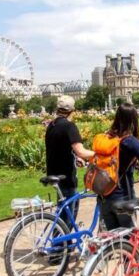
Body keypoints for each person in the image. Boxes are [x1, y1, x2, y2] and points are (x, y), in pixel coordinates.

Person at [44, 95, 94, 228]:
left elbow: (60, 148)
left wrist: (75, 158)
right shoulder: (69, 126)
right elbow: (81, 151)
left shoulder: (51, 125)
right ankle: (59, 246)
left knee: (67, 211)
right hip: (65, 175)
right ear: (72, 110)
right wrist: (100, 154)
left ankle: (64, 241)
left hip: (54, 171)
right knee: (66, 215)